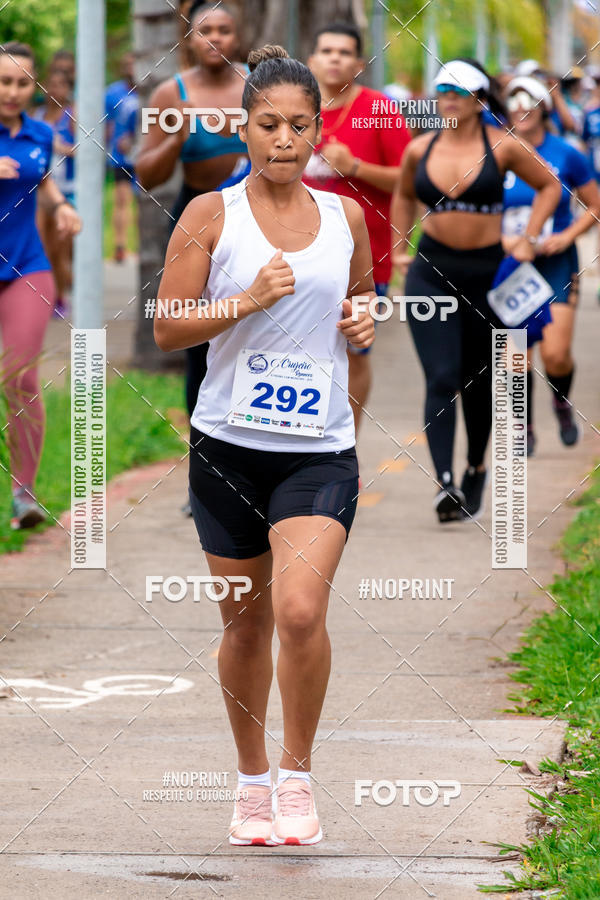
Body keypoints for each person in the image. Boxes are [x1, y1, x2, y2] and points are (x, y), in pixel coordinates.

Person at [154, 44, 374, 846]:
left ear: (318, 131)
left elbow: (360, 299)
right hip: (227, 447)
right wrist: (245, 300)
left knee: (299, 609)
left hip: (318, 445)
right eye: (269, 125)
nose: (285, 140)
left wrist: (363, 321)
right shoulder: (212, 214)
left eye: (300, 127)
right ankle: (251, 784)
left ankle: (296, 775)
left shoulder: (344, 216)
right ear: (244, 129)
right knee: (244, 624)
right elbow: (169, 325)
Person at [391, 58, 561, 523]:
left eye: (458, 92)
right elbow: (404, 196)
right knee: (441, 376)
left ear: (479, 100)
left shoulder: (503, 146)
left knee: (478, 380)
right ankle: (444, 480)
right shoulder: (419, 148)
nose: (447, 98)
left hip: (488, 276)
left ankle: (476, 467)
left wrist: (529, 237)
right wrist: (399, 247)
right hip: (432, 272)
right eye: (442, 89)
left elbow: (549, 186)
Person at [137, 1, 249, 470]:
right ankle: (204, 463)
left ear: (236, 36)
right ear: (189, 38)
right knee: (197, 343)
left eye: (224, 30)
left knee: (253, 332)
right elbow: (144, 173)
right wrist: (175, 137)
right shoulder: (171, 93)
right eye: (206, 30)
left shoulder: (258, 84)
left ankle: (254, 452)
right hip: (195, 215)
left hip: (254, 216)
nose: (215, 39)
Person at [304, 22, 411, 436]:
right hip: (294, 251)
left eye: (345, 52)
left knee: (353, 352)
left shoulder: (379, 108)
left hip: (364, 258)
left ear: (360, 64)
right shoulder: (294, 106)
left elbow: (410, 179)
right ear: (311, 60)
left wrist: (356, 168)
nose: (335, 58)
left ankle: (342, 444)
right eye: (326, 51)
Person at [0, 43, 81, 528]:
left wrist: (60, 205)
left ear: (34, 86)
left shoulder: (40, 132)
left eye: (22, 83)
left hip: (27, 266)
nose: (12, 91)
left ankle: (23, 497)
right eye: (4, 81)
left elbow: (42, 182)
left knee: (20, 377)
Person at [502, 76, 600, 456]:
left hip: (555, 261)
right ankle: (523, 425)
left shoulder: (566, 153)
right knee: (515, 353)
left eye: (530, 101)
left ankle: (561, 401)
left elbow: (594, 204)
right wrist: (503, 240)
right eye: (514, 101)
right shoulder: (496, 150)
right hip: (512, 264)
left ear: (544, 107)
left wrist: (567, 235)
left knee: (556, 353)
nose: (521, 108)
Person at [32, 69, 76, 317]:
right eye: (51, 84)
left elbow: (87, 151)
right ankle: (47, 298)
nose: (55, 90)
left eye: (61, 84)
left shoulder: (72, 115)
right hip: (41, 190)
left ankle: (61, 295)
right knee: (42, 246)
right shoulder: (35, 116)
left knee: (60, 250)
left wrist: (60, 147)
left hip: (67, 192)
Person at [105, 53, 137, 263]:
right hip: (121, 157)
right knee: (122, 200)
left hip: (145, 154)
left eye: (132, 64)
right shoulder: (112, 94)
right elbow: (107, 125)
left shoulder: (150, 89)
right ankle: (120, 245)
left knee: (146, 202)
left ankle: (145, 246)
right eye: (125, 64)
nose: (129, 68)